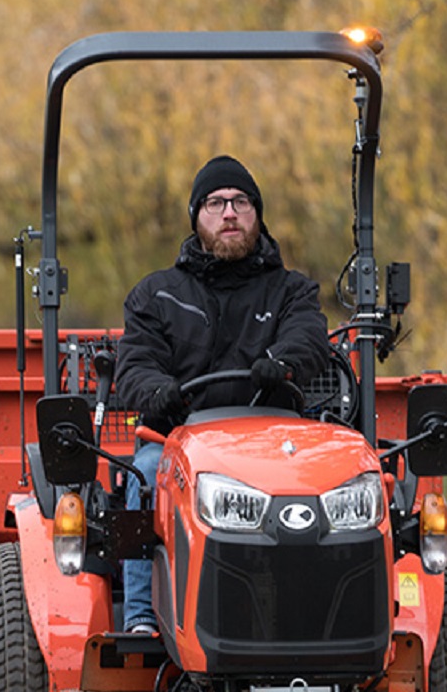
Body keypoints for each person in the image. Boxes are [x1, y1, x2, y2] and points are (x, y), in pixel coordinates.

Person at [113, 154, 331, 636]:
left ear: (257, 214)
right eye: (216, 203)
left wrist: (283, 363)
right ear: (197, 216)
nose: (229, 213)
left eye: (241, 202)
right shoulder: (157, 295)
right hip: (182, 442)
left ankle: (320, 618)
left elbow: (309, 337)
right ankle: (144, 617)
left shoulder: (291, 292)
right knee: (146, 472)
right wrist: (158, 391)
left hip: (273, 443)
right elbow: (134, 366)